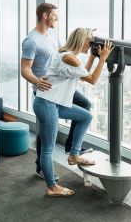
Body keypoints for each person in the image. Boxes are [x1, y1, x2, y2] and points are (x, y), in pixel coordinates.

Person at [34, 28, 113, 196]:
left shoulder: (68, 55)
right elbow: (92, 79)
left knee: (86, 116)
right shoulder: (69, 58)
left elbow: (83, 74)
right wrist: (103, 59)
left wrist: (93, 55)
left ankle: (73, 155)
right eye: (89, 42)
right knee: (48, 149)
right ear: (81, 40)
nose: (90, 45)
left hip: (55, 103)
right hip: (46, 104)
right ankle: (51, 187)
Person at [21, 3, 93, 181]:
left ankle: (72, 148)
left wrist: (88, 37)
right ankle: (41, 166)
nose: (57, 20)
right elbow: (25, 69)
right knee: (44, 131)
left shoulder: (53, 37)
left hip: (58, 86)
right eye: (55, 16)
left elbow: (67, 53)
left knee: (85, 104)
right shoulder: (31, 40)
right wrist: (37, 81)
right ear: (45, 16)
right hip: (45, 90)